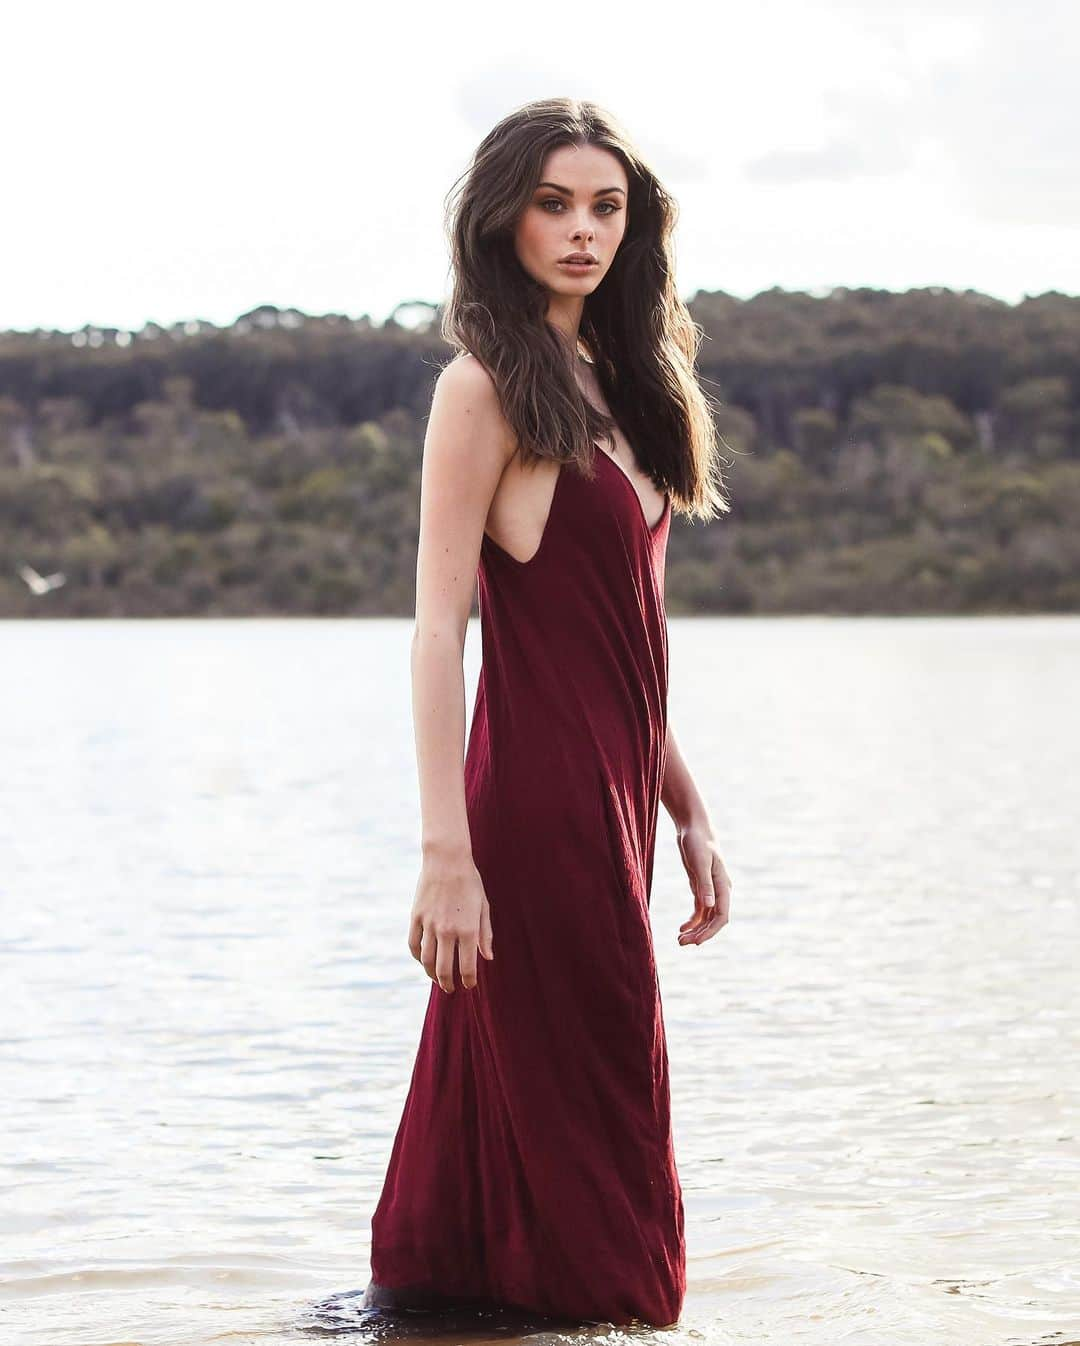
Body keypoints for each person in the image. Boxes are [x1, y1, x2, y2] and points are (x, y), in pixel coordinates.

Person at [363, 96, 734, 1330]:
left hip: (617, 808)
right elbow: (437, 627)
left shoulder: (639, 391)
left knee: (547, 1083)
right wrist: (443, 854)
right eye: (554, 203)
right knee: (604, 1088)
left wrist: (689, 812)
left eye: (607, 208)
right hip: (526, 810)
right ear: (504, 218)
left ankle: (461, 1309)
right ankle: (608, 1311)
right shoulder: (485, 388)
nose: (583, 232)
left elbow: (630, 642)